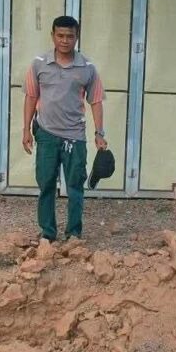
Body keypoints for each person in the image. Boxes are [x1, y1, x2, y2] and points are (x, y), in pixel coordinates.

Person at [22, 16, 108, 242]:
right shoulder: (39, 64)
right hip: (46, 134)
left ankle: (74, 234)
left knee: (75, 186)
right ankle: (48, 233)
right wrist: (26, 130)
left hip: (74, 137)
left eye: (70, 36)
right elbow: (31, 97)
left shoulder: (87, 68)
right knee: (46, 184)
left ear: (76, 37)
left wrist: (99, 134)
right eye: (60, 35)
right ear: (52, 36)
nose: (65, 40)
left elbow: (96, 101)